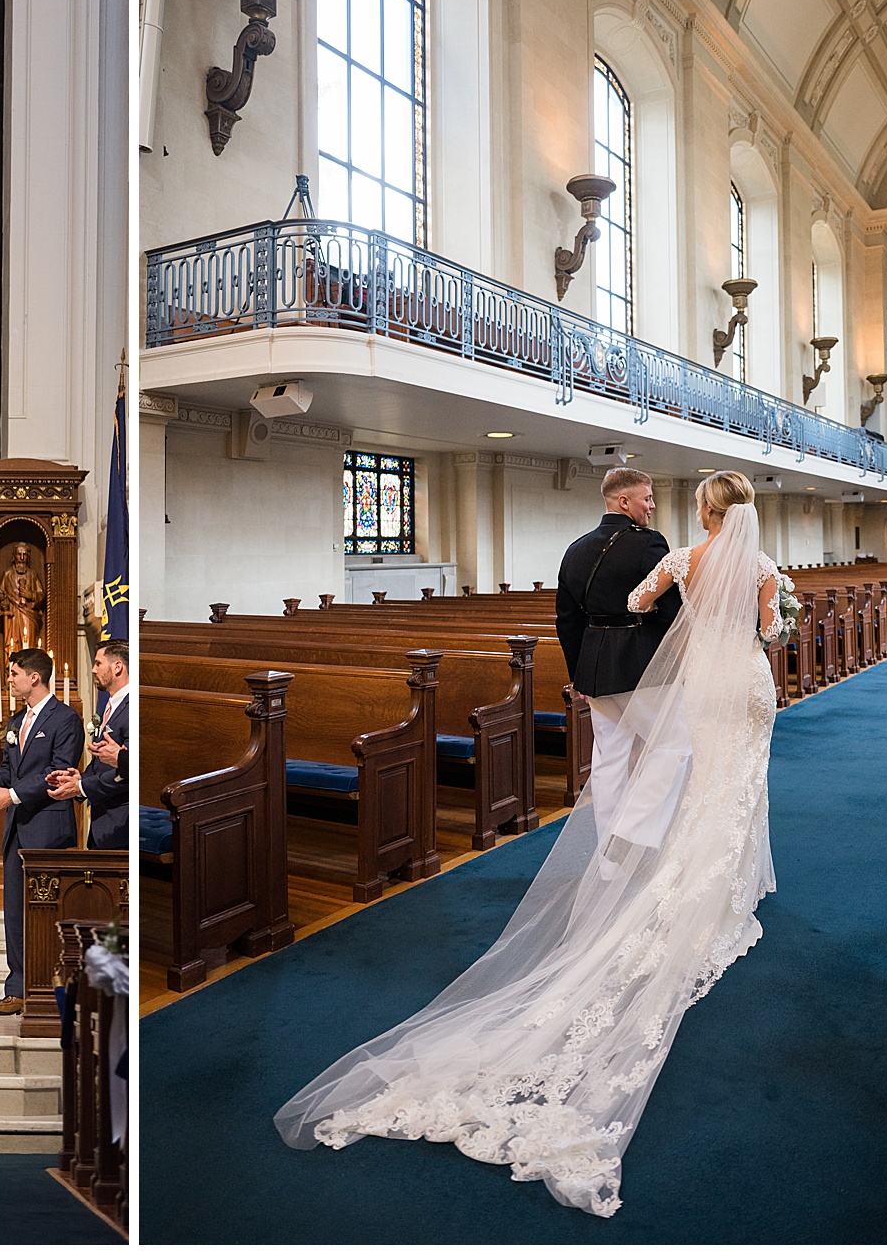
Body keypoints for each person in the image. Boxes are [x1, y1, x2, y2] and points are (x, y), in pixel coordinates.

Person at [275, 471, 785, 1218]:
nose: (652, 506)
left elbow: (611, 610)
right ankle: (706, 877)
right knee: (728, 783)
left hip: (641, 676)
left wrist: (597, 664)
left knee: (649, 770)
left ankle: (624, 846)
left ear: (706, 511)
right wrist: (758, 618)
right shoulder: (757, 565)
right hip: (732, 680)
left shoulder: (647, 554)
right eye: (644, 496)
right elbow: (768, 630)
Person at [555, 468, 685, 836]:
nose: (652, 506)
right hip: (639, 665)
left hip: (594, 671)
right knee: (675, 745)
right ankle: (631, 831)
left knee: (608, 758)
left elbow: (566, 620)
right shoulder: (649, 543)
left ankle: (608, 857)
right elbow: (670, 609)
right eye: (647, 498)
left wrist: (578, 674)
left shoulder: (575, 549)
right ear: (624, 501)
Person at [0, 648, 83, 1016]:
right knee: (14, 911)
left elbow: (60, 770)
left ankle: (53, 991)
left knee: (48, 913)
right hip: (17, 830)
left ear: (34, 677)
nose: (9, 678)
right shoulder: (15, 721)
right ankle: (17, 989)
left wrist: (14, 794)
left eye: (13, 672)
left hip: (49, 827)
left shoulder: (66, 719)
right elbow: (10, 769)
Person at [48, 640, 130, 850]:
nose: (93, 670)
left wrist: (82, 787)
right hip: (102, 821)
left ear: (117, 667)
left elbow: (130, 769)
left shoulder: (131, 707)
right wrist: (80, 778)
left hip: (122, 821)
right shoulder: (111, 704)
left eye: (98, 663)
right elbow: (104, 760)